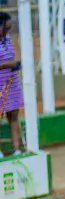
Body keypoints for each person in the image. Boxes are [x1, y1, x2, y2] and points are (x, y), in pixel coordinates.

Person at [0, 11, 24, 156]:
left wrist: (16, 64)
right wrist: (7, 65)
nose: (8, 31)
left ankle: (16, 149)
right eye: (6, 28)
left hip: (12, 82)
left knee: (13, 116)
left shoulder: (7, 40)